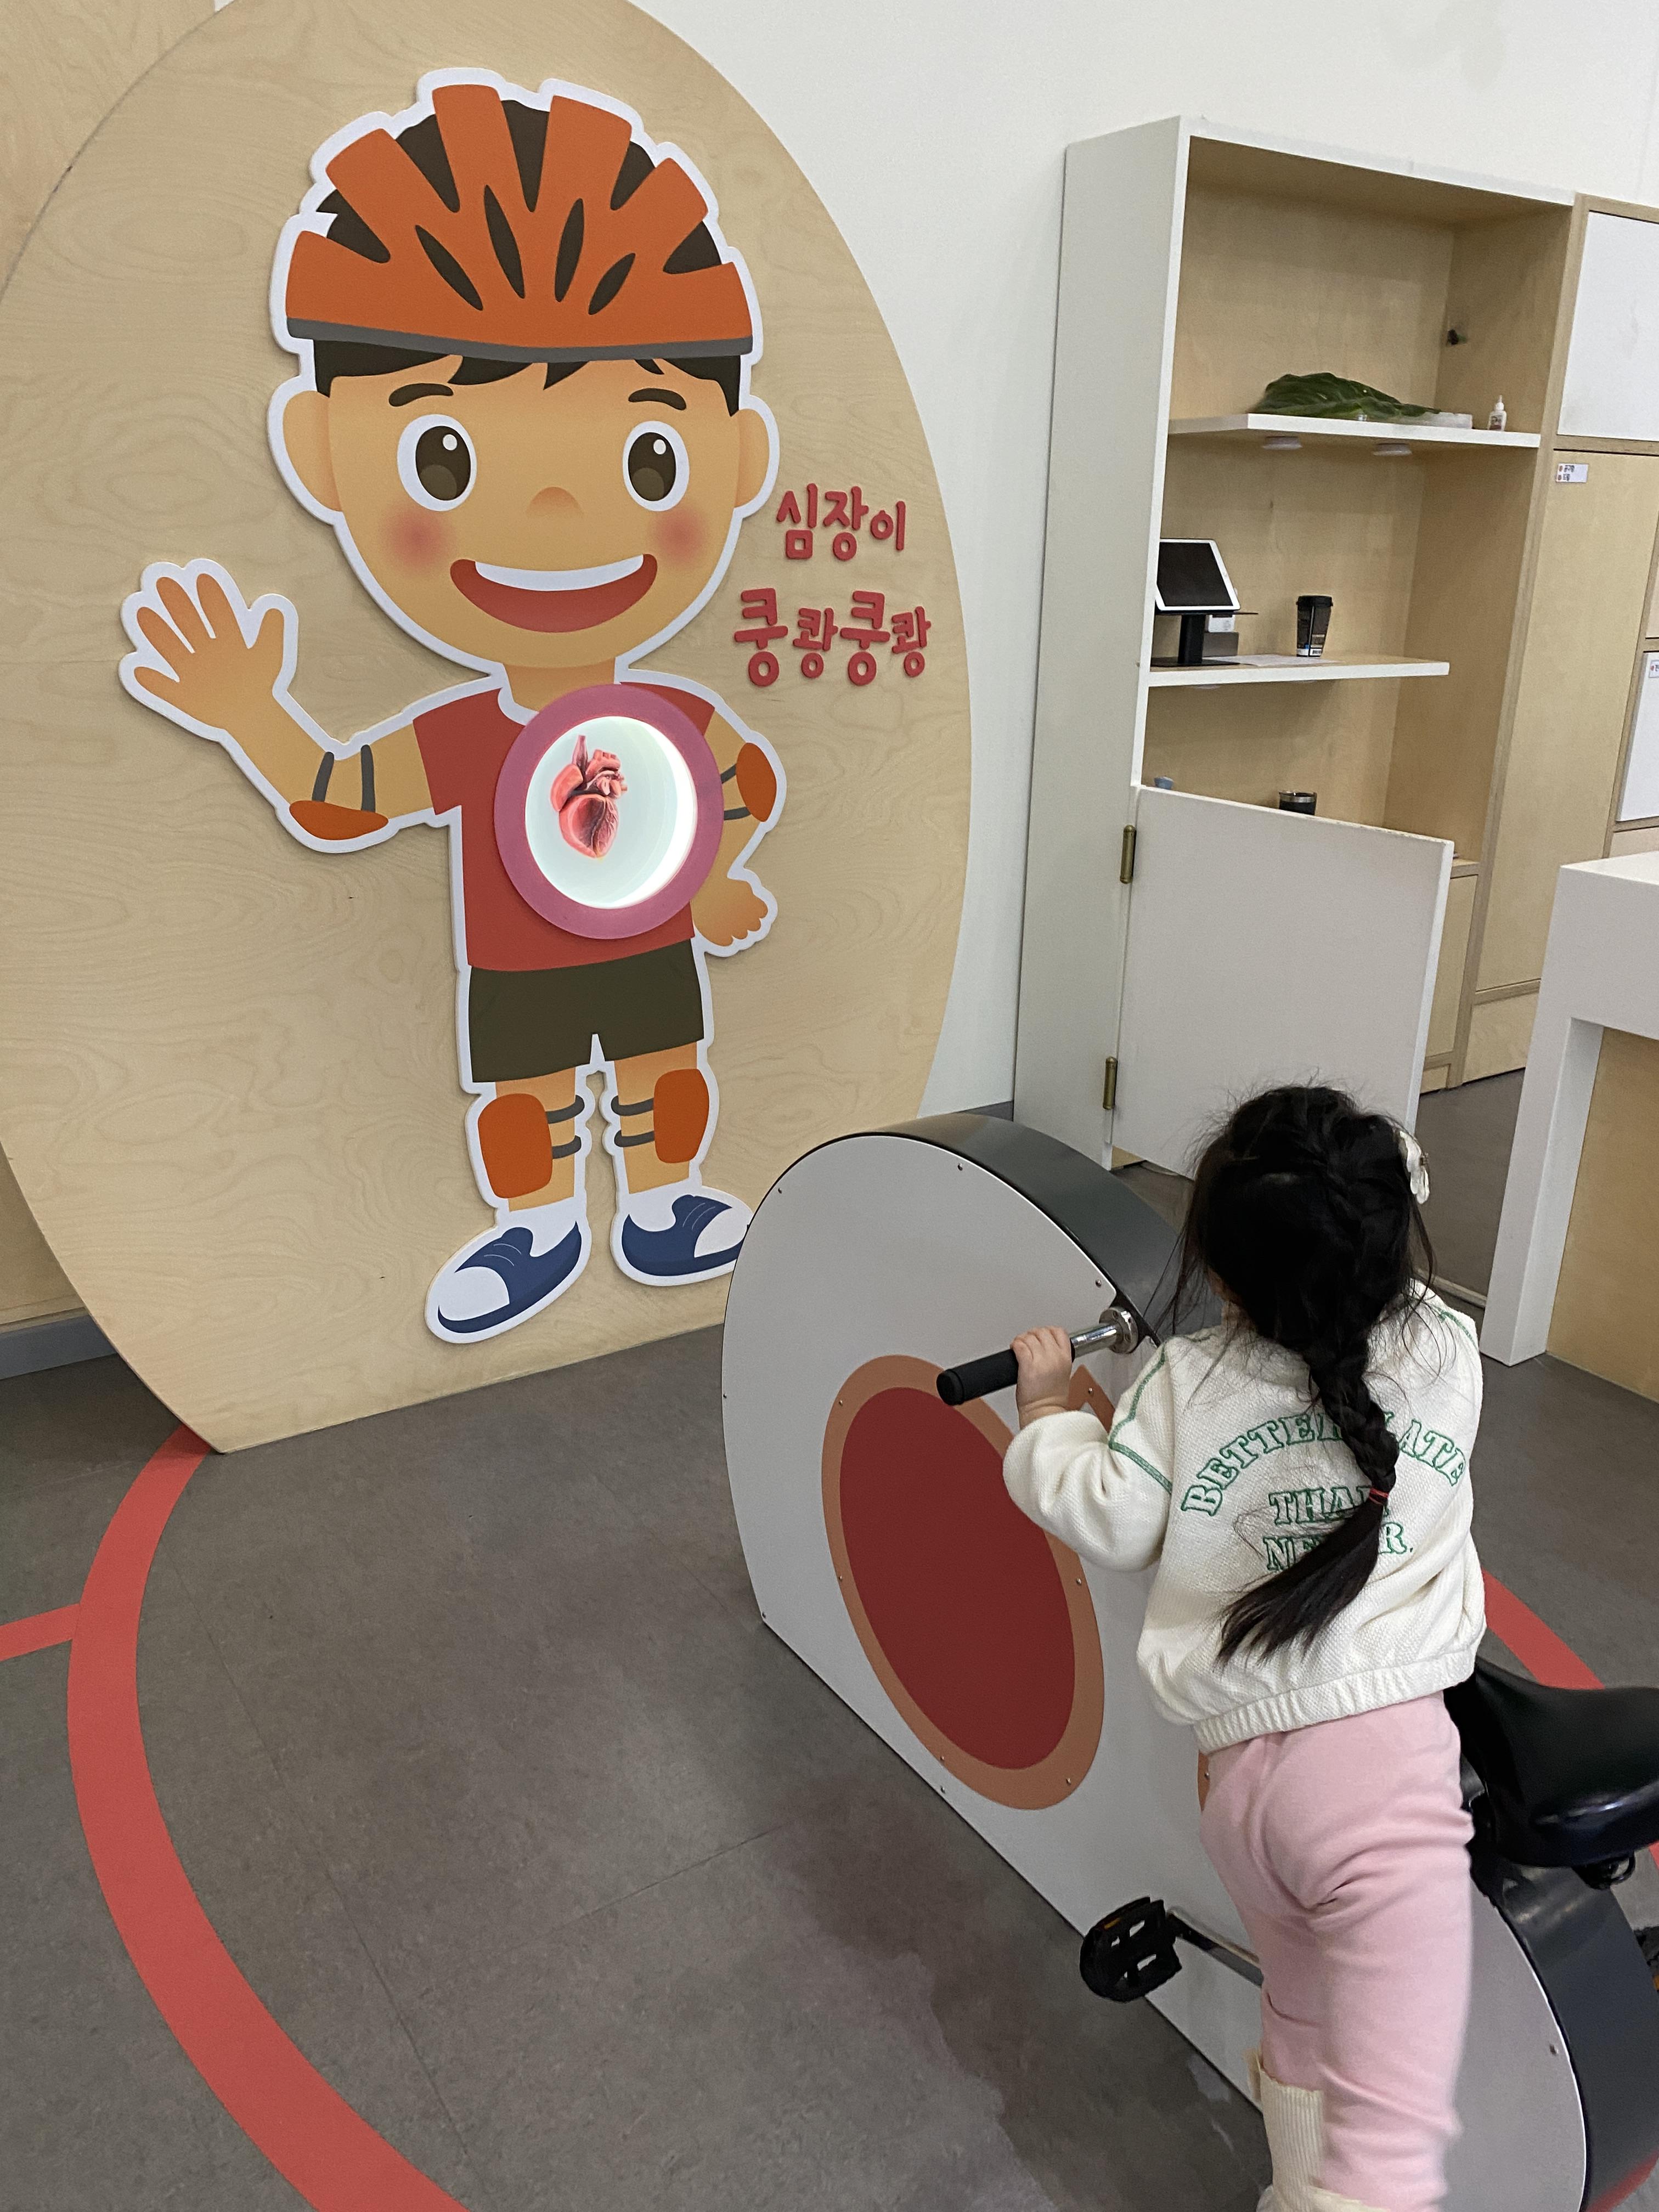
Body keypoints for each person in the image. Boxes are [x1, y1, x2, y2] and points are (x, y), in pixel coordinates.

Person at [119, 74, 782, 1341]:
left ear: (737, 457)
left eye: (649, 456)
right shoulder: (465, 735)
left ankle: (663, 1202)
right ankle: (536, 1228)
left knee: (663, 1076)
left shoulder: (668, 720)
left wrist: (710, 881)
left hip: (651, 941)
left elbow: (741, 784)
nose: (554, 515)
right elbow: (336, 798)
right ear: (323, 450)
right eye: (446, 456)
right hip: (516, 961)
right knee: (528, 1098)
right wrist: (250, 712)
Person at [1006, 1086, 1484, 2212]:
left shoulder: (1184, 1381)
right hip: (1381, 1795)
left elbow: (1110, 1515)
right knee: (1391, 2148)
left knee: (1302, 2012)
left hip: (1243, 1791)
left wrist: (1049, 1413)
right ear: (1391, 1240)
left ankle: (1292, 2192)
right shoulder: (1447, 1352)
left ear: (1221, 1277)